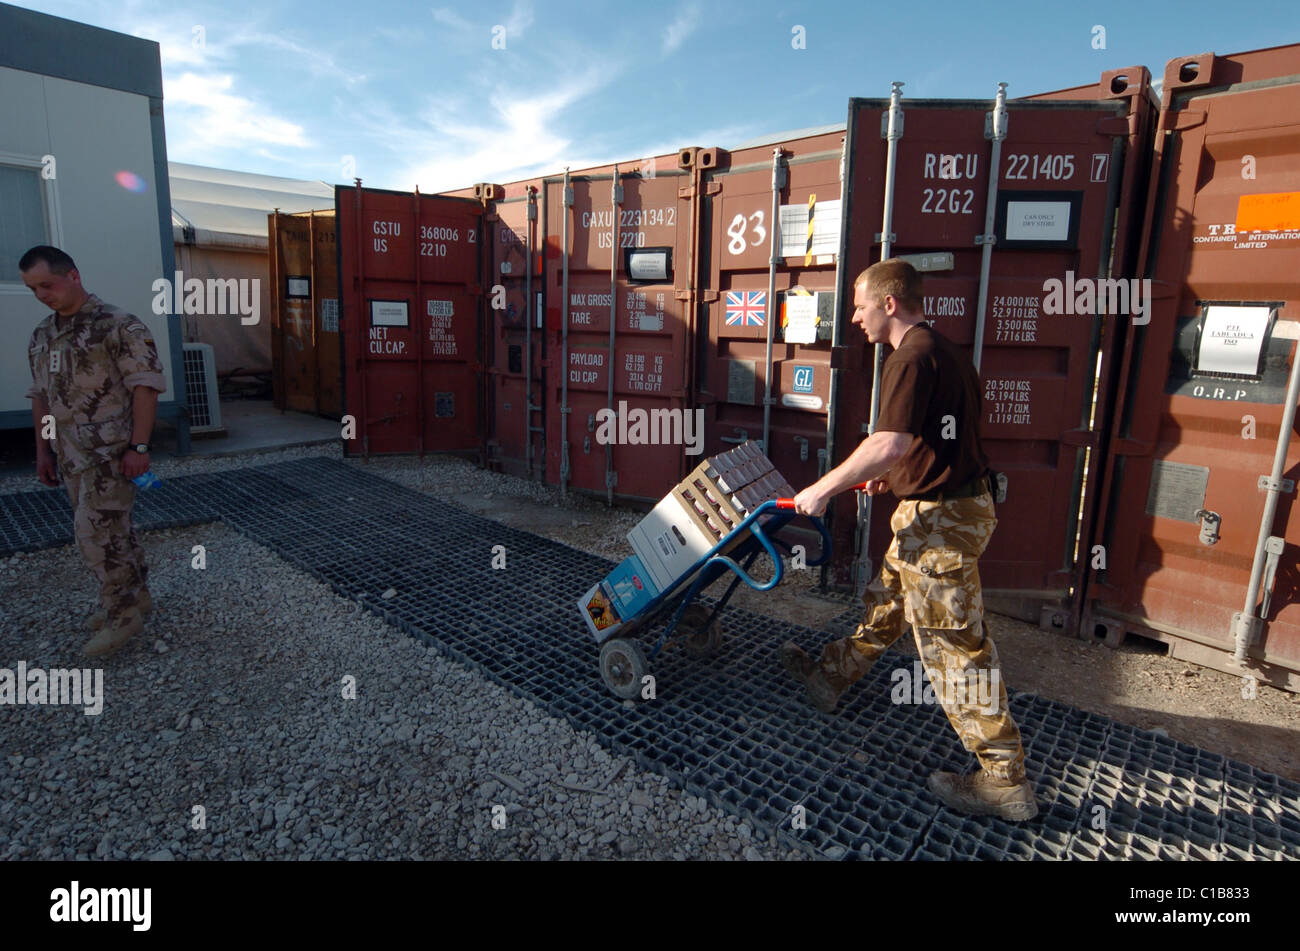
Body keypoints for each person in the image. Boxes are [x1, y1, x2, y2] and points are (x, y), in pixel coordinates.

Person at [784, 258, 1036, 822]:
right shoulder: (944, 352)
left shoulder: (910, 358)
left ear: (889, 304)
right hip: (937, 514)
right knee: (888, 601)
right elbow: (930, 443)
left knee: (952, 649)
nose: (853, 318)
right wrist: (894, 479)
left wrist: (824, 488)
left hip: (942, 525)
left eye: (859, 305)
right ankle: (829, 676)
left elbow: (890, 440)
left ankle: (1003, 779)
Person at [21, 246, 167, 657]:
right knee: (114, 530)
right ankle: (137, 597)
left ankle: (122, 616)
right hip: (70, 455)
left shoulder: (118, 325)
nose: (41, 294)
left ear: (73, 276)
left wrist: (140, 446)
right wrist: (43, 452)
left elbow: (146, 385)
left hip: (112, 454)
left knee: (94, 535)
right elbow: (40, 396)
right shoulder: (42, 335)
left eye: (46, 285)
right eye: (33, 289)